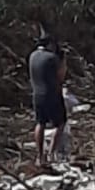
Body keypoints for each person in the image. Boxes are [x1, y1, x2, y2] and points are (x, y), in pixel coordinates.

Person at [29, 36, 68, 166]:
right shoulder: (52, 58)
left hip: (37, 94)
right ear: (50, 44)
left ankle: (40, 156)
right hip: (52, 94)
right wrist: (63, 60)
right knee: (60, 123)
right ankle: (51, 153)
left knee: (40, 123)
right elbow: (61, 76)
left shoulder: (33, 56)